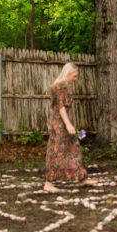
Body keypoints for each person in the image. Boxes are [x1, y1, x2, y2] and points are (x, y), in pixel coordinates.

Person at [43, 62, 96, 192]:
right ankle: (48, 184)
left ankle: (82, 179)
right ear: (68, 73)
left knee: (74, 150)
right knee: (57, 153)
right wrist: (68, 125)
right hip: (61, 126)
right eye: (75, 76)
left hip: (63, 125)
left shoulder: (61, 86)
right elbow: (61, 108)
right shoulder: (61, 87)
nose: (75, 79)